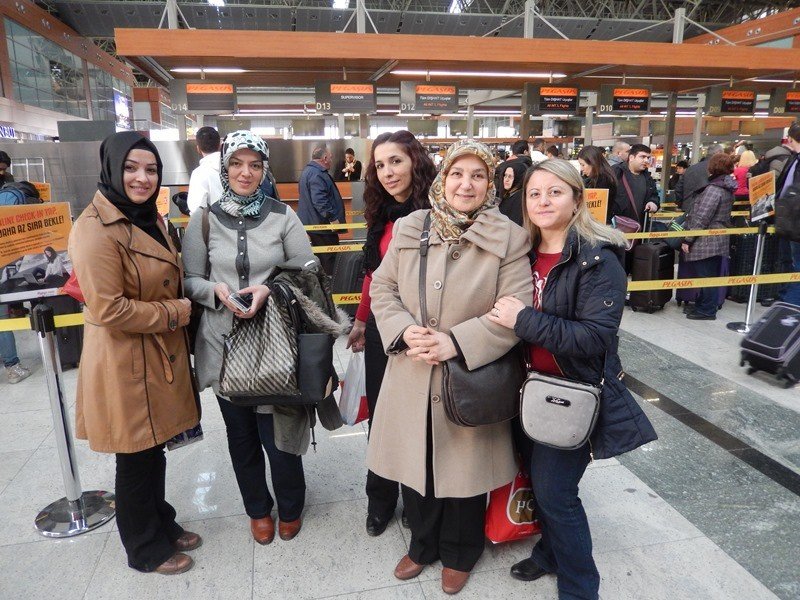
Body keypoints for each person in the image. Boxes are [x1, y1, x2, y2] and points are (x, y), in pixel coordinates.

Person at [487, 158, 657, 600]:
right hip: (523, 389)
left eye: (555, 191)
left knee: (557, 494)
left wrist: (523, 319)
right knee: (538, 482)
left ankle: (581, 588)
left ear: (577, 198)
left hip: (570, 393)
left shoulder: (598, 259)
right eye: (534, 193)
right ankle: (549, 553)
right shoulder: (521, 252)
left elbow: (594, 337)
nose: (543, 201)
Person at [368, 139, 533, 595]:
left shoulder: (509, 237)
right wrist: (403, 330)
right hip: (413, 366)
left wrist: (455, 342)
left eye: (478, 175)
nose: (466, 184)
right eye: (457, 173)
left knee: (465, 468)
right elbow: (383, 288)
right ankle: (422, 544)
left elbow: (515, 307)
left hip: (469, 374)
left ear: (491, 184)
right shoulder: (411, 226)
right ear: (443, 179)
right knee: (415, 461)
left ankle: (461, 551)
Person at [68, 131, 201, 575]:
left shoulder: (147, 217)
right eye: (131, 168)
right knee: (135, 454)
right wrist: (177, 312)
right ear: (111, 169)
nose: (142, 178)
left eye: (151, 169)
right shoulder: (94, 228)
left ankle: (160, 520)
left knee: (152, 447)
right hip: (125, 359)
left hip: (154, 352)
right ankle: (144, 547)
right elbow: (108, 308)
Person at [183, 130, 316, 547]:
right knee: (241, 436)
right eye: (237, 164)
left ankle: (290, 506)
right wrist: (215, 292)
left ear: (264, 170)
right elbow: (190, 279)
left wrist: (269, 289)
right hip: (223, 345)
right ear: (224, 167)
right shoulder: (204, 220)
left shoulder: (283, 215)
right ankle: (258, 509)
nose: (246, 172)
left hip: (275, 343)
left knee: (279, 432)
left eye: (255, 165)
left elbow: (308, 269)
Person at [345, 130, 436, 537]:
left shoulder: (439, 210)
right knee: (381, 418)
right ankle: (380, 500)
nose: (387, 172)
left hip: (424, 332)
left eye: (396, 161)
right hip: (384, 331)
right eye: (380, 165)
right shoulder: (380, 213)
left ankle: (418, 501)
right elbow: (373, 274)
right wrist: (362, 321)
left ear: (416, 161)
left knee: (419, 419)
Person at [680, 153, 737, 320]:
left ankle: (707, 309)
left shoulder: (713, 189)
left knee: (706, 276)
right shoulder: (726, 187)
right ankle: (703, 305)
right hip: (718, 238)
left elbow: (702, 217)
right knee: (709, 274)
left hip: (706, 240)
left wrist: (688, 239)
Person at [298, 144, 345, 274]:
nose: (331, 160)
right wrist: (332, 218)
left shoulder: (308, 171)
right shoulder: (317, 174)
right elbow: (320, 200)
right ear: (324, 158)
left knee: (321, 257)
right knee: (329, 258)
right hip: (322, 226)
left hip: (314, 224)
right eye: (330, 157)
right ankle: (331, 283)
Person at [775, 122, 800, 306]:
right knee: (788, 262)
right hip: (788, 221)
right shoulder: (793, 160)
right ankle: (785, 298)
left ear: (790, 138)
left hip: (796, 222)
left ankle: (789, 307)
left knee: (796, 266)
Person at [610, 143, 659, 226]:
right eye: (642, 157)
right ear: (631, 157)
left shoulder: (647, 177)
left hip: (640, 227)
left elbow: (654, 195)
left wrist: (653, 202)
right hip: (617, 226)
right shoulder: (616, 172)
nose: (646, 160)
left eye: (648, 157)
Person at [674, 143, 725, 213]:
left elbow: (678, 188)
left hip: (688, 208)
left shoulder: (690, 169)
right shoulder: (718, 170)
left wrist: (681, 204)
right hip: (709, 210)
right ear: (718, 153)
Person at [186, 126, 223, 214]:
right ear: (220, 146)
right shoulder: (233, 168)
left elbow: (196, 209)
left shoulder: (199, 173)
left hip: (212, 222)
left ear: (198, 149)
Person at [577, 145, 617, 223]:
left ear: (593, 163)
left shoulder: (603, 180)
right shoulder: (603, 177)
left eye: (583, 165)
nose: (581, 169)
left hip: (597, 224)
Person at [498, 160, 528, 226]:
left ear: (519, 178)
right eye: (505, 175)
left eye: (510, 177)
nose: (506, 180)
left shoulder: (520, 198)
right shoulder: (510, 194)